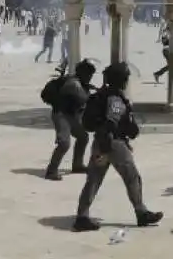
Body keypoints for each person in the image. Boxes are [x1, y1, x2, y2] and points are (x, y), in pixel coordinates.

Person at [73, 62, 162, 232]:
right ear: (122, 80)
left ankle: (82, 216)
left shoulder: (102, 95)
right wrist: (112, 145)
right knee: (132, 178)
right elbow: (111, 122)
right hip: (114, 144)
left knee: (93, 180)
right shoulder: (116, 100)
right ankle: (141, 212)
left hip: (100, 143)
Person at [45, 60, 96, 181]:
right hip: (61, 115)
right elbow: (85, 100)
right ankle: (51, 171)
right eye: (89, 75)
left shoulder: (79, 82)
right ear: (83, 73)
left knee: (83, 137)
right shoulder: (74, 84)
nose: (90, 78)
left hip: (70, 115)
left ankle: (77, 165)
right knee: (64, 143)